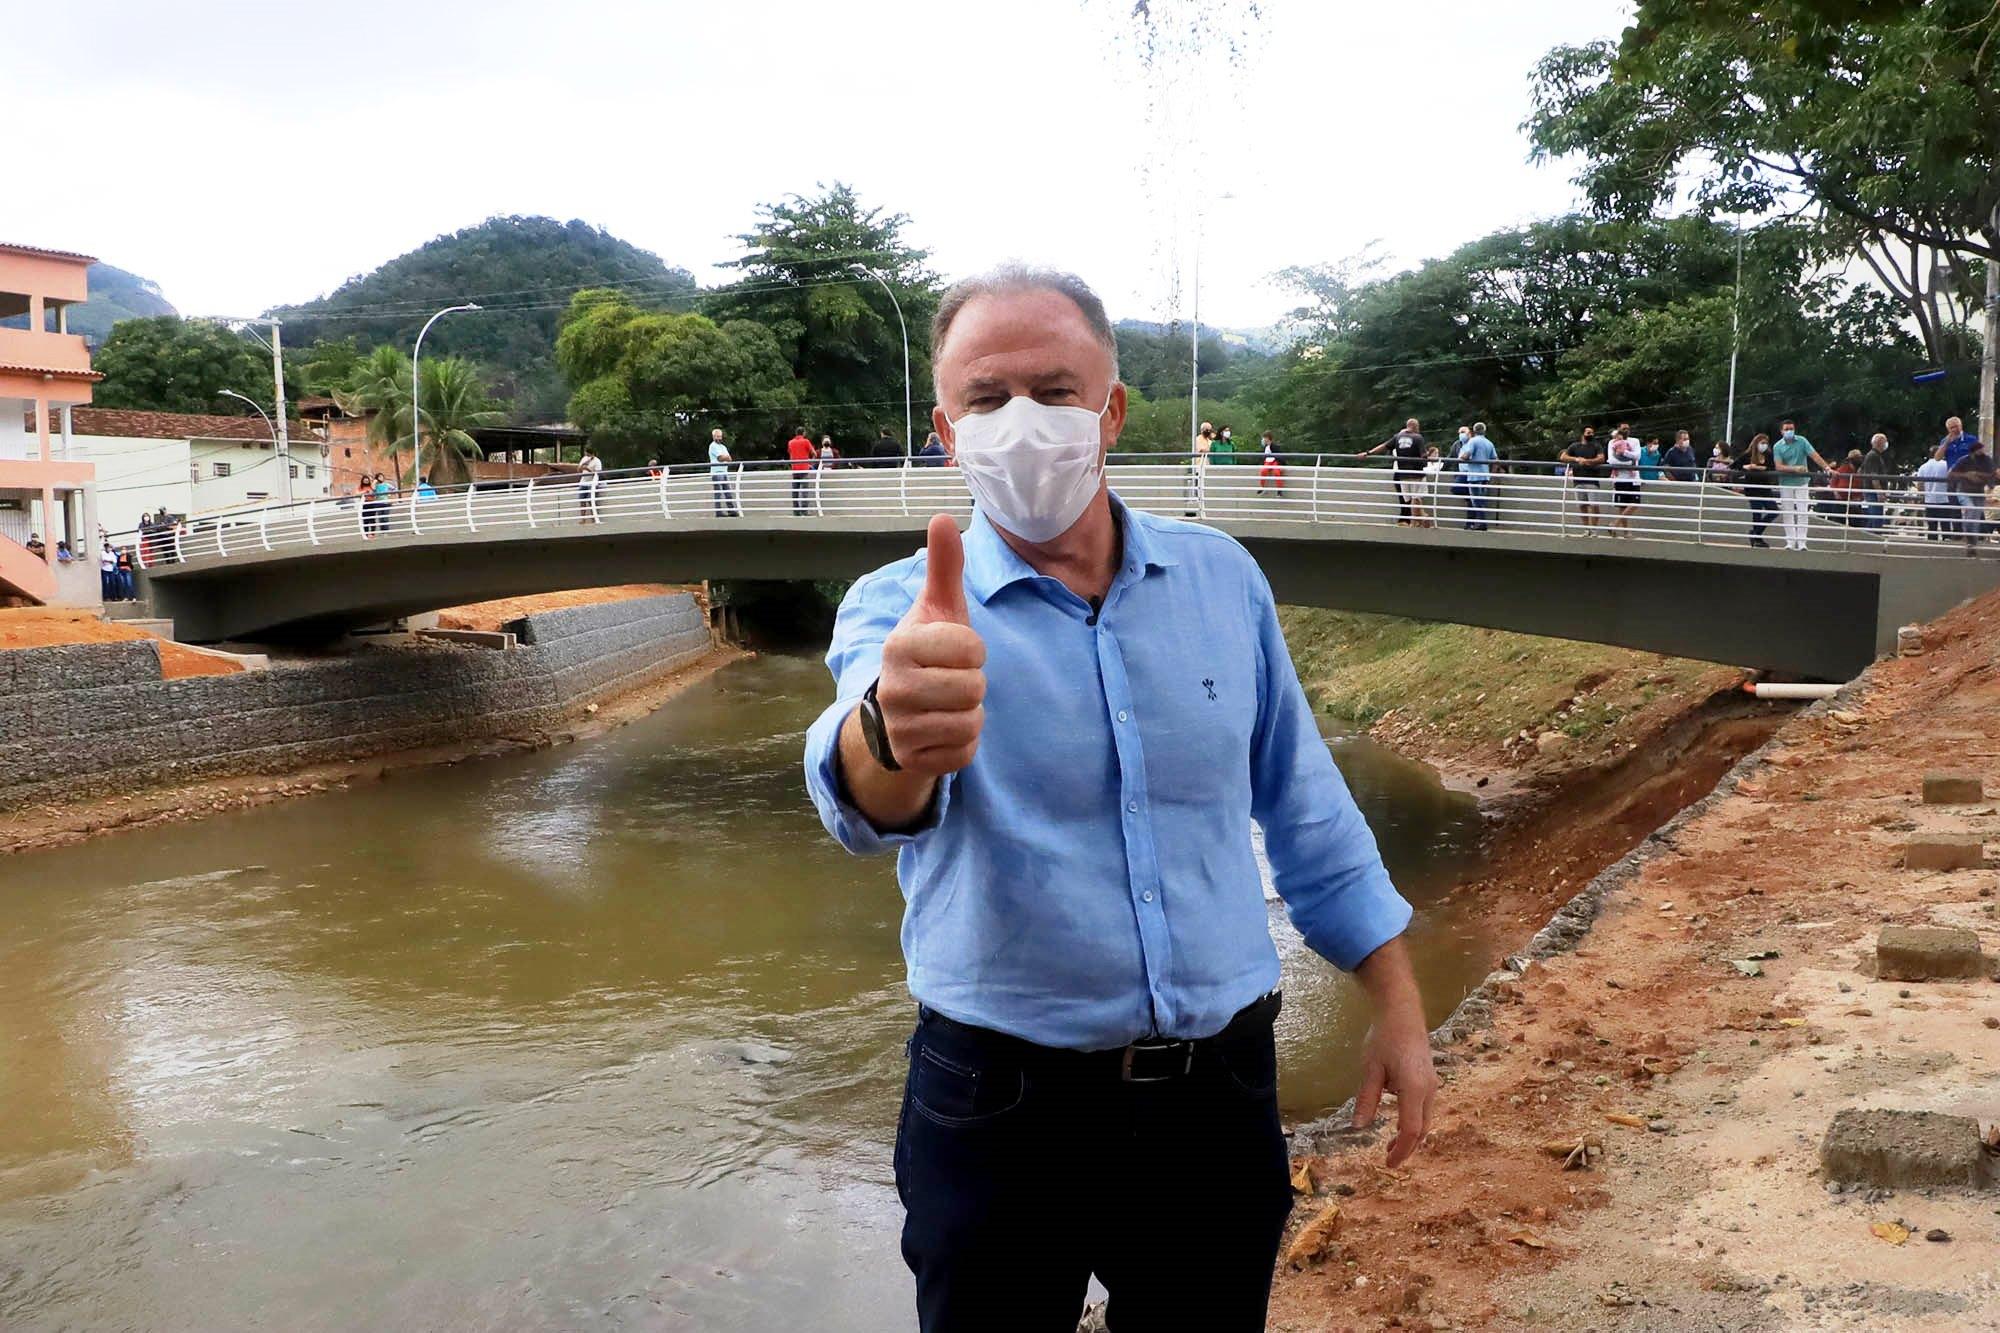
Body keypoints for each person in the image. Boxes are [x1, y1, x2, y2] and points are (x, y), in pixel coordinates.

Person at [803, 265, 1435, 1332]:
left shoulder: (1220, 580)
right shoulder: (902, 609)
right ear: (945, 431)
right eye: (985, 399)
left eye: (1053, 390)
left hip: (1214, 1095)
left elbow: (1304, 804)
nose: (1022, 422)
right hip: (995, 1100)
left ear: (1111, 408)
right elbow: (859, 788)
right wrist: (894, 731)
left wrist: (1399, 1005)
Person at [1771, 419, 1833, 550]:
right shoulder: (1777, 446)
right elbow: (1779, 466)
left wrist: (1827, 468)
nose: (1789, 431)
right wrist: (1795, 469)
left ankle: (1802, 542)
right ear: (1781, 431)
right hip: (1785, 482)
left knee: (1802, 512)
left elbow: (1814, 456)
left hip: (1802, 482)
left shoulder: (1802, 441)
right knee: (1787, 512)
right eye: (1786, 429)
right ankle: (1790, 542)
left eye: (1791, 429)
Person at [1361, 417, 1427, 524]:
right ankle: (1416, 521)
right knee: (1416, 499)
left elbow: (1384, 446)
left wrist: (1368, 453)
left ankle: (1416, 520)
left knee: (1408, 500)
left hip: (1403, 475)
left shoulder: (1397, 437)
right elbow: (1424, 456)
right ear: (1415, 426)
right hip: (1416, 474)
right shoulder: (1418, 438)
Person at [1947, 438, 1995, 554]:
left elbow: (1992, 473)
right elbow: (1951, 474)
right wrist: (1966, 475)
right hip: (1964, 490)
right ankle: (1969, 539)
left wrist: (1980, 477)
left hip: (1978, 492)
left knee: (1975, 519)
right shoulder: (1964, 460)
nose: (1983, 452)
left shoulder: (1986, 460)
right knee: (1972, 512)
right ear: (1974, 451)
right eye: (1981, 450)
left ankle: (1971, 544)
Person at [1557, 427, 1606, 533]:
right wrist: (1576, 459)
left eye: (1592, 432)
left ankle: (1594, 529)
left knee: (1594, 506)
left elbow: (1601, 458)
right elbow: (1563, 457)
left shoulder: (1596, 446)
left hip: (1592, 481)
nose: (1591, 434)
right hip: (1578, 481)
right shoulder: (1574, 446)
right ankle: (1586, 529)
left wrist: (1587, 461)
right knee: (1582, 506)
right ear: (1583, 434)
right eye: (1588, 432)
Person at [1941, 416, 1982, 536]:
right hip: (1952, 479)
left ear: (1961, 425)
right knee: (1954, 506)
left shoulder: (1971, 439)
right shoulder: (1945, 441)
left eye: (1956, 426)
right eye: (1951, 427)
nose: (1954, 429)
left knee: (1974, 504)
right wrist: (1946, 443)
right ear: (1948, 429)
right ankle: (1957, 534)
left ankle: (1979, 532)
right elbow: (1938, 457)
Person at [1736, 434, 1777, 548]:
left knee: (1773, 510)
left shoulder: (1768, 455)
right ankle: (1757, 538)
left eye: (1765, 443)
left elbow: (1772, 467)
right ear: (1756, 443)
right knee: (1757, 512)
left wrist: (1758, 467)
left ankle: (1755, 533)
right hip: (1752, 487)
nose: (1764, 445)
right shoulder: (1748, 455)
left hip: (1765, 487)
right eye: (1761, 443)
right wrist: (1748, 466)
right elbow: (1735, 465)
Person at [1456, 422, 1498, 529]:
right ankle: (1481, 523)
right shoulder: (1489, 443)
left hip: (1474, 476)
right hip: (1485, 476)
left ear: (1474, 431)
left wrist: (1461, 458)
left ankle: (1482, 524)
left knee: (1476, 501)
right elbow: (1495, 460)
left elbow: (1467, 455)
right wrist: (1491, 474)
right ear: (1484, 431)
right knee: (1481, 500)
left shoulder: (1473, 441)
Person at [1607, 424, 1642, 537]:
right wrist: (1629, 463)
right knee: (1622, 506)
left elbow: (1637, 456)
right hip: (1620, 478)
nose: (1626, 430)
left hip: (1634, 478)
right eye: (1623, 428)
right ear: (1618, 430)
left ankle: (1615, 524)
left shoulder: (1635, 441)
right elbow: (1612, 461)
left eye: (1628, 428)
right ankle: (1626, 532)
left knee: (1635, 503)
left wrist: (1624, 453)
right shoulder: (1612, 442)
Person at [1916, 443, 1952, 541]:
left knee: (1932, 526)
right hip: (1945, 499)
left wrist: (1924, 494)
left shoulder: (1923, 467)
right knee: (1946, 525)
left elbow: (1920, 485)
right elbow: (1951, 482)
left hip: (1929, 500)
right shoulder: (1946, 465)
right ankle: (1947, 542)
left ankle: (1932, 545)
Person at [1857, 434, 1892, 533]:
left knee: (1874, 517)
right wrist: (1880, 492)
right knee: (1876, 518)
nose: (1886, 444)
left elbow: (1860, 471)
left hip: (1871, 491)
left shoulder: (1872, 455)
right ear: (1880, 442)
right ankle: (1874, 540)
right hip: (1873, 492)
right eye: (1885, 441)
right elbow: (1874, 476)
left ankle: (1869, 539)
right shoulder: (1873, 456)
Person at [708, 429, 739, 517]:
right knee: (718, 493)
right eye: (717, 436)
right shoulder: (712, 446)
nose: (719, 438)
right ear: (713, 437)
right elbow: (720, 458)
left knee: (728, 492)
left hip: (725, 472)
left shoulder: (723, 447)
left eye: (720, 436)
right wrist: (725, 457)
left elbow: (730, 458)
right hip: (716, 472)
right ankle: (718, 512)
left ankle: (731, 510)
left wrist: (725, 457)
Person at [788, 426, 817, 515]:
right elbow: (814, 454)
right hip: (804, 469)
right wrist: (810, 463)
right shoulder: (806, 441)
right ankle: (804, 511)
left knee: (795, 491)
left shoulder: (790, 442)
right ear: (803, 433)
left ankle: (796, 512)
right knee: (804, 491)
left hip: (795, 469)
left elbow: (790, 453)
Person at [576, 447, 604, 523]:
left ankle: (593, 519)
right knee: (582, 501)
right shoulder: (584, 458)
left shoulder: (597, 461)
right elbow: (578, 470)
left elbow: (598, 473)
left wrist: (588, 469)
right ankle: (583, 519)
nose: (586, 454)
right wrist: (583, 465)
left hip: (592, 483)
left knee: (591, 501)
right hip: (583, 482)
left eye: (587, 453)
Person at [1256, 429, 1284, 495]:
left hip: (1274, 461)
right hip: (1267, 462)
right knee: (1263, 471)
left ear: (1268, 438)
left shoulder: (1275, 446)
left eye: (1265, 437)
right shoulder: (1265, 447)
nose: (1264, 439)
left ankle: (1279, 490)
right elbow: (1263, 457)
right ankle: (1262, 487)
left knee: (1276, 472)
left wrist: (1282, 464)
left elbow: (1280, 456)